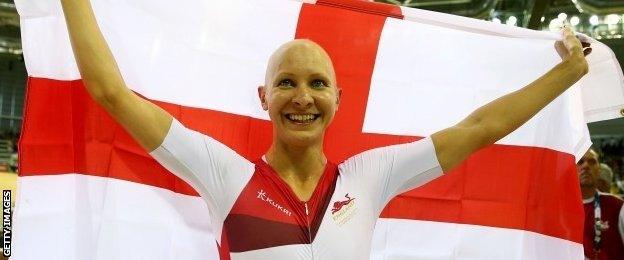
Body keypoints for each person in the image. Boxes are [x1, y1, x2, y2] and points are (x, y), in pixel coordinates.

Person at [60, 0, 592, 259]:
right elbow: (111, 91)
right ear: (264, 99)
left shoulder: (371, 176)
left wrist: (565, 74)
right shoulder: (225, 175)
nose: (302, 97)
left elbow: (480, 127)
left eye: (318, 83)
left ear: (338, 99)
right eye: (286, 83)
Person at [578, 149, 624, 259]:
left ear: (599, 170)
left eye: (592, 162)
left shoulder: (617, 207)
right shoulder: (558, 210)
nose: (586, 166)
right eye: (580, 161)